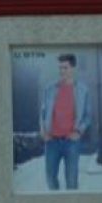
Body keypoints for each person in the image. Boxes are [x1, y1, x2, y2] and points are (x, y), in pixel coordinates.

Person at [40, 53, 91, 191]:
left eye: (65, 67)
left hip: (71, 143)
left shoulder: (83, 90)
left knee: (72, 181)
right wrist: (43, 131)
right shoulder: (50, 88)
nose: (62, 71)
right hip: (52, 142)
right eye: (60, 67)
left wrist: (79, 131)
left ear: (73, 68)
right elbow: (43, 112)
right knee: (50, 179)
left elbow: (87, 116)